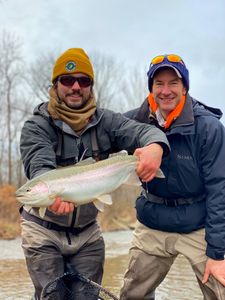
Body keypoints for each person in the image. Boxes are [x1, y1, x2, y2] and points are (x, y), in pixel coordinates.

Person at [19, 48, 170, 300]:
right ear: (55, 85)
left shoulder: (106, 121)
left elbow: (141, 132)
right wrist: (47, 195)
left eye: (84, 81)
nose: (75, 86)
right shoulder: (36, 126)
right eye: (67, 80)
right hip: (43, 232)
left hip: (88, 233)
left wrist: (156, 146)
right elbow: (39, 166)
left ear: (91, 86)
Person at [120, 54, 225, 300]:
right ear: (151, 88)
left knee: (221, 289)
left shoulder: (209, 128)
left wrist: (218, 254)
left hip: (198, 224)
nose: (165, 91)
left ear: (185, 87)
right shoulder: (130, 122)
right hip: (153, 222)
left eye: (173, 83)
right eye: (159, 84)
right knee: (132, 294)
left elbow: (220, 190)